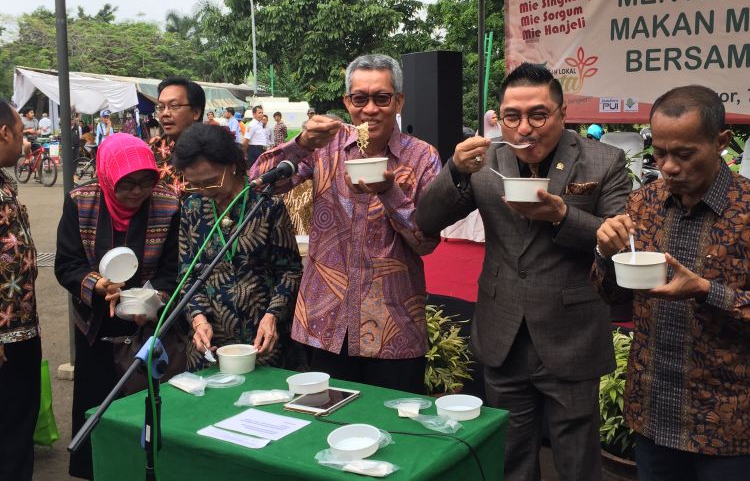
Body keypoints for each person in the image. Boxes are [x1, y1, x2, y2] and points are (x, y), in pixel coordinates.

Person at [415, 62, 631, 481]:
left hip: (571, 332)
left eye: (538, 114)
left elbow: (620, 238)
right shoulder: (485, 161)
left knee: (575, 459)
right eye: (512, 116)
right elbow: (426, 219)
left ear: (563, 114)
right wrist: (455, 170)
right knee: (511, 453)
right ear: (500, 117)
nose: (524, 128)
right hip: (504, 330)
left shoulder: (604, 160)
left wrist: (563, 215)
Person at [250, 54, 442, 393]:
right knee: (326, 423)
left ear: (399, 101)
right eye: (360, 99)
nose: (370, 109)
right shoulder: (326, 147)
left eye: (382, 98)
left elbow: (426, 242)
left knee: (394, 429)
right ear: (347, 102)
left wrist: (390, 193)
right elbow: (258, 182)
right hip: (325, 322)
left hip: (393, 326)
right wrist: (302, 143)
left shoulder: (423, 157)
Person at [593, 85, 750, 481]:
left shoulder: (746, 210)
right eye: (659, 153)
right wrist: (605, 256)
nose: (668, 167)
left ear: (721, 142)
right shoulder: (643, 204)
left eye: (683, 154)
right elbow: (613, 300)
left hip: (729, 424)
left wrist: (705, 290)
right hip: (654, 411)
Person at [55, 133, 181, 479]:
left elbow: (174, 269)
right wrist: (99, 285)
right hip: (95, 327)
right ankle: (96, 470)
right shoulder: (81, 201)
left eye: (145, 182)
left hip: (146, 327)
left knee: (145, 410)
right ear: (108, 176)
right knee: (97, 406)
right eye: (127, 184)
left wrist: (153, 300)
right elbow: (66, 264)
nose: (137, 192)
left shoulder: (167, 204)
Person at [171, 123, 302, 369]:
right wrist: (199, 320)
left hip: (264, 340)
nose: (203, 191)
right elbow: (188, 274)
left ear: (232, 165)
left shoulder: (266, 206)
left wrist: (273, 315)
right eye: (194, 184)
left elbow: (290, 270)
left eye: (209, 182)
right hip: (210, 344)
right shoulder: (192, 208)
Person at [0, 100, 41, 481]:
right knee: (10, 434)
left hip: (21, 331)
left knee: (17, 428)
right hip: (4, 340)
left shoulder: (4, 182)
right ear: (4, 133)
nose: (25, 142)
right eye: (22, 132)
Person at [149, 77, 206, 193]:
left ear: (196, 112)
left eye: (174, 106)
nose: (165, 113)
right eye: (161, 107)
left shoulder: (216, 152)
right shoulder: (153, 149)